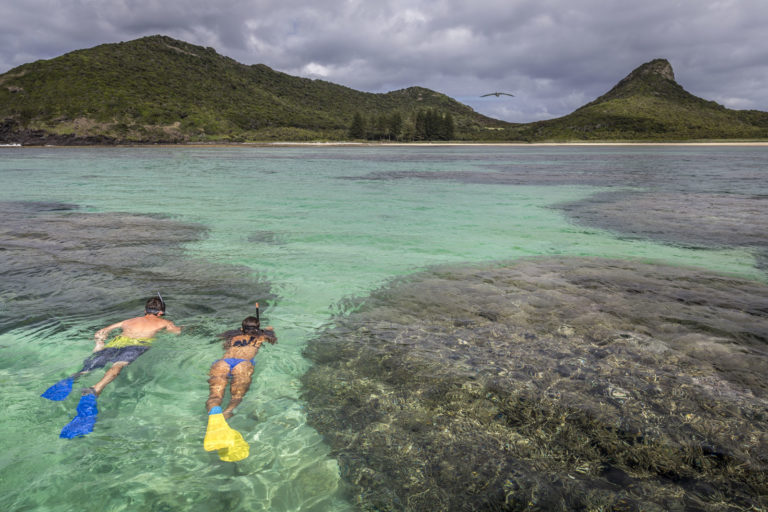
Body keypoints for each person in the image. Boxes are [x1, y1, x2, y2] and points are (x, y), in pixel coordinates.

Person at [41, 294, 181, 438]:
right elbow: (176, 333)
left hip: (116, 342)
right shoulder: (164, 322)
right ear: (160, 313)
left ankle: (72, 379)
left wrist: (99, 342)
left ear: (145, 311)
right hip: (137, 345)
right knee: (117, 366)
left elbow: (102, 332)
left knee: (90, 367)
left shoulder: (128, 321)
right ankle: (95, 389)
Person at [203, 303, 276, 461]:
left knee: (215, 396)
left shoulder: (232, 336)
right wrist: (268, 330)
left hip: (222, 363)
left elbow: (223, 342)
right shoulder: (261, 337)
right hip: (243, 364)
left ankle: (214, 416)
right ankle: (226, 413)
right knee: (236, 397)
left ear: (242, 329)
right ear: (257, 330)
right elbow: (273, 339)